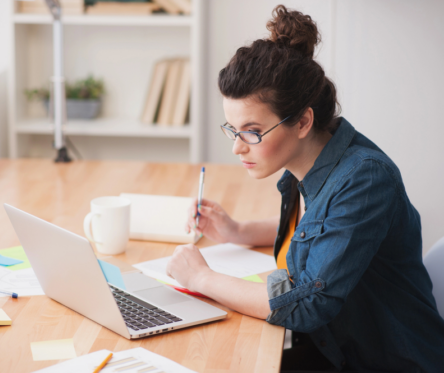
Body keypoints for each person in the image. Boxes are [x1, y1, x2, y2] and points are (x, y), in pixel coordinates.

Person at [165, 5, 444, 372]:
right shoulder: (311, 163)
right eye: (232, 129)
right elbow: (321, 228)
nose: (237, 147)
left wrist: (202, 278)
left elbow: (306, 304)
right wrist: (238, 231)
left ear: (302, 121)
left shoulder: (364, 180)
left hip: (384, 361)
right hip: (335, 347)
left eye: (252, 131)